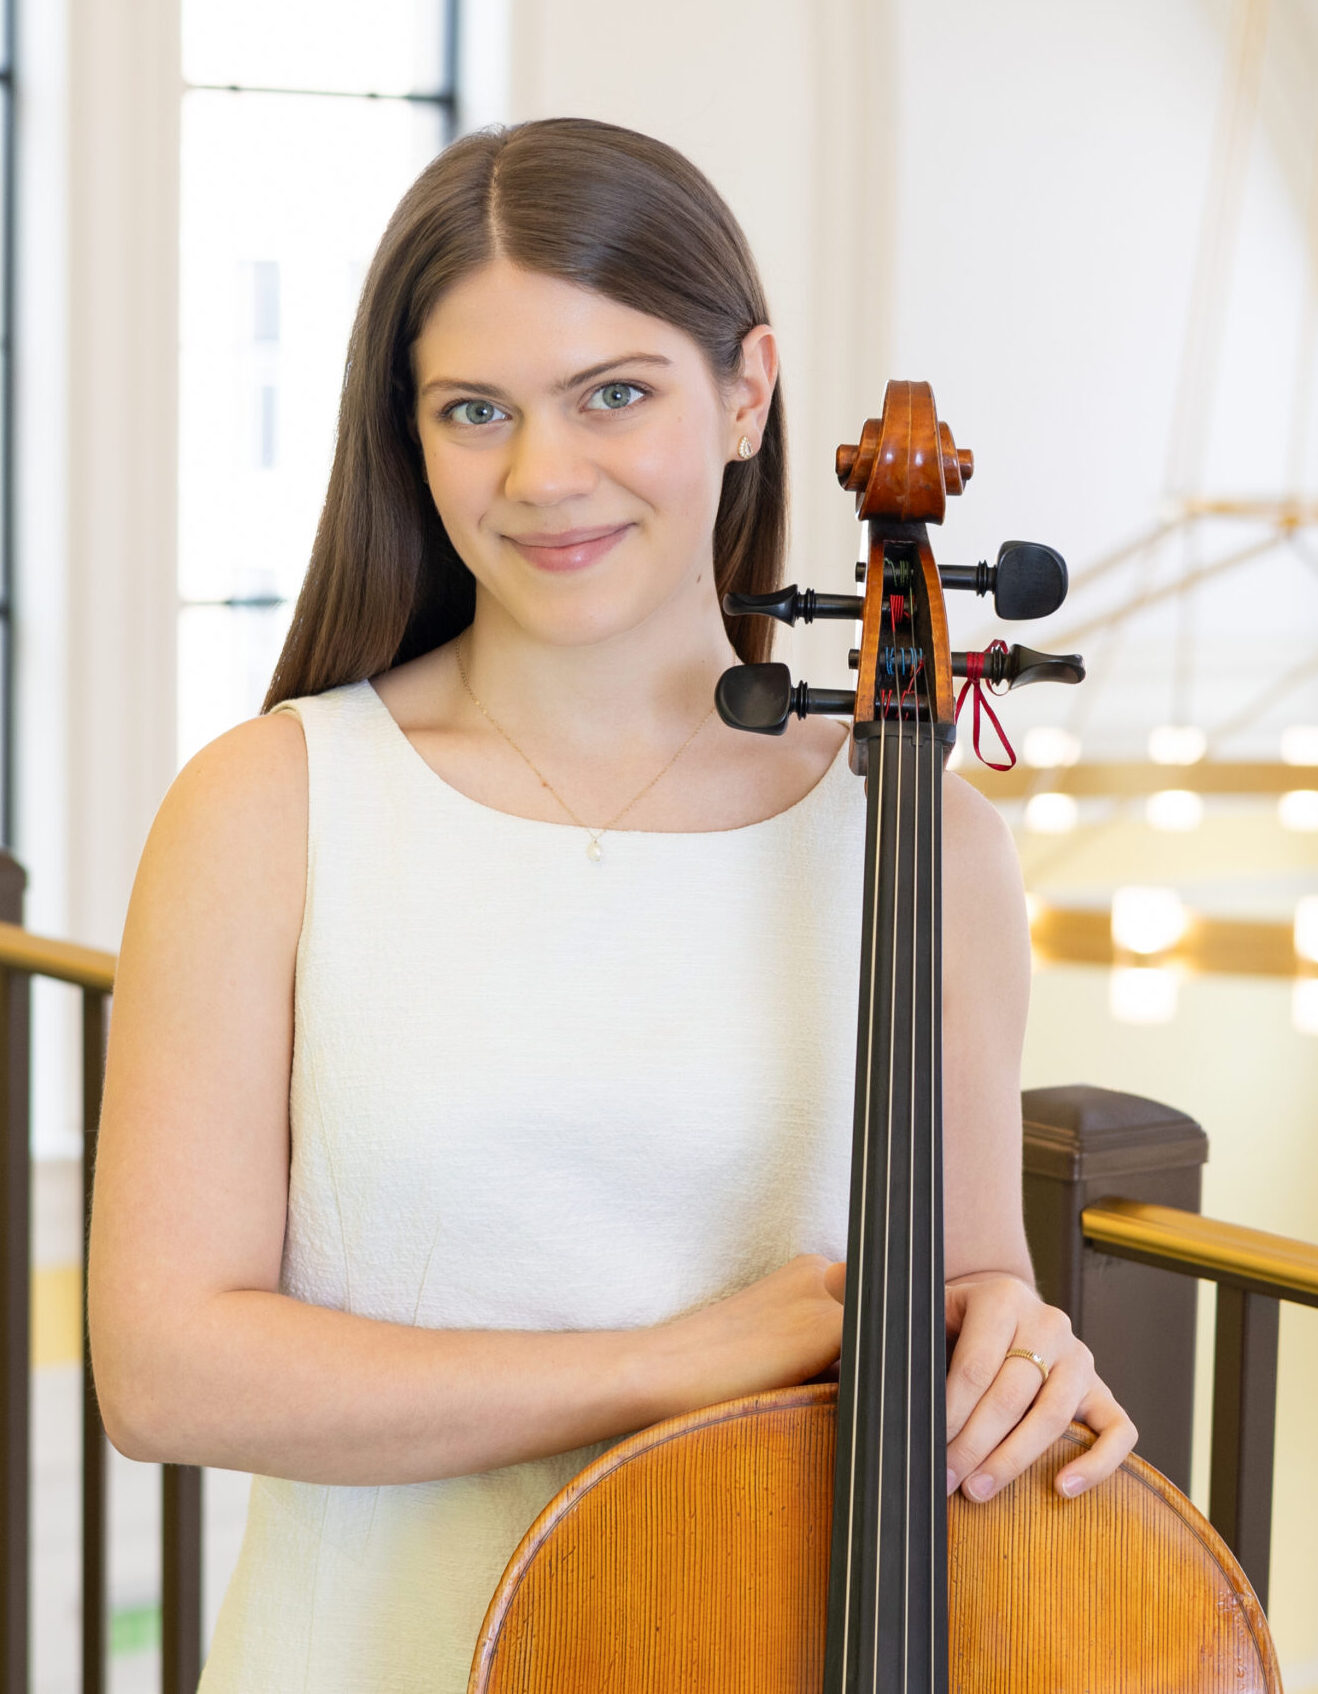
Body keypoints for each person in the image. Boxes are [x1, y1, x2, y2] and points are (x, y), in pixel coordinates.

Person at [87, 117, 1137, 1691]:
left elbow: (964, 1293)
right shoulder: (270, 804)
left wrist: (1011, 1341)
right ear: (409, 434)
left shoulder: (922, 843)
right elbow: (165, 1369)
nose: (542, 476)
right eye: (475, 410)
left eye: (613, 394)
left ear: (746, 390)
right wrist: (654, 1367)